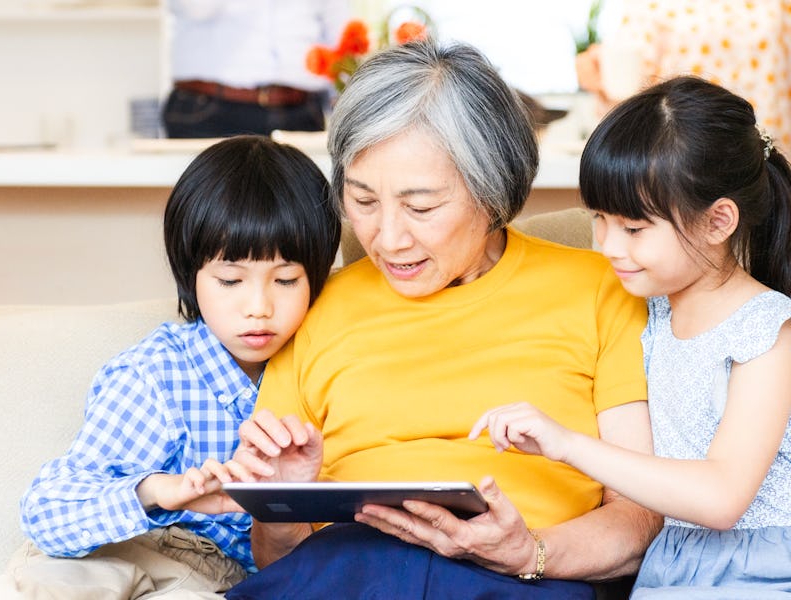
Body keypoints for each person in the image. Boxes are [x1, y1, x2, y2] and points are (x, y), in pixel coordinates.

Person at [220, 39, 662, 599]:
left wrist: (532, 554)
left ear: (492, 191)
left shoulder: (600, 289)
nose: (387, 238)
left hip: (522, 576)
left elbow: (642, 514)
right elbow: (276, 562)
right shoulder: (317, 307)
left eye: (421, 207)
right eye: (362, 200)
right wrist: (280, 506)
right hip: (346, 571)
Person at [471, 76, 791, 598]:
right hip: (668, 567)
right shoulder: (646, 309)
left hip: (761, 570)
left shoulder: (767, 331)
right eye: (599, 219)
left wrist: (567, 445)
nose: (607, 246)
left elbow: (722, 498)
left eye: (634, 229)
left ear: (718, 221)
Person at [1, 135, 341, 599]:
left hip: (227, 579)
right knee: (48, 578)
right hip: (136, 546)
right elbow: (45, 513)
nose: (258, 307)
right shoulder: (155, 375)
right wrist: (158, 491)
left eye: (285, 280)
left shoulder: (327, 365)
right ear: (190, 275)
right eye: (229, 280)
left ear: (317, 277)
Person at [575, 0, 791, 151]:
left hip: (771, 153)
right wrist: (598, 74)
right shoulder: (648, 6)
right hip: (683, 157)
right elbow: (627, 87)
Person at [162, 0, 350, 138]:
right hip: (210, 110)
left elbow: (340, 34)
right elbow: (197, 8)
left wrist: (347, 110)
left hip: (301, 110)